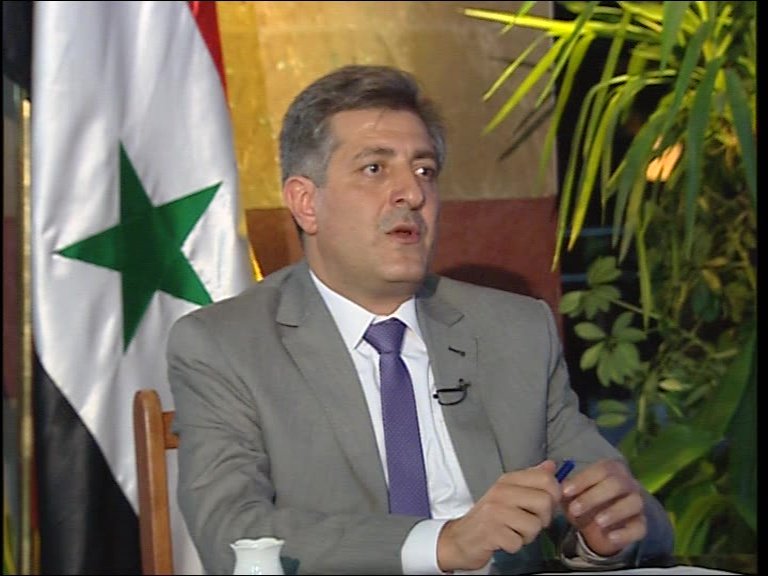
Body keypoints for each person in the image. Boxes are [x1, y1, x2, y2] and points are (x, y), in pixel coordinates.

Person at [167, 64, 674, 575]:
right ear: (306, 202)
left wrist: (605, 535)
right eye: (375, 169)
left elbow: (629, 512)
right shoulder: (225, 344)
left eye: (425, 170)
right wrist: (442, 544)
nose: (412, 193)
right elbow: (233, 533)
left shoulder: (516, 331)